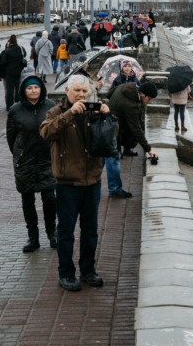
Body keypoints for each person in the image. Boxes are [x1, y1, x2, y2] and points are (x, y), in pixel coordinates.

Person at [40, 75, 110, 291]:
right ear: (67, 91)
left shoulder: (93, 109)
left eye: (84, 91)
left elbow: (111, 139)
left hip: (92, 180)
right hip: (67, 182)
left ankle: (88, 270)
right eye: (77, 90)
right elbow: (46, 132)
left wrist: (108, 117)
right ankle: (66, 273)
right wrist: (70, 114)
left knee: (91, 230)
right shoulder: (56, 112)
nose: (81, 95)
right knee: (66, 231)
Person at [7, 73, 57, 253]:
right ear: (24, 90)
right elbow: (11, 138)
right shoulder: (15, 110)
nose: (33, 90)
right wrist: (20, 155)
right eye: (29, 88)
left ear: (41, 89)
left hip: (47, 159)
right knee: (27, 199)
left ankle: (52, 233)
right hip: (25, 162)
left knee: (50, 198)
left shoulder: (51, 106)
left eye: (36, 87)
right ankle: (33, 237)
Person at [105, 81, 160, 194]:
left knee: (102, 155)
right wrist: (148, 149)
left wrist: (114, 107)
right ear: (143, 94)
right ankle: (115, 189)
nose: (149, 102)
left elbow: (109, 94)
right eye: (149, 99)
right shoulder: (130, 105)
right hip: (112, 129)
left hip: (106, 124)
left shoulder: (125, 86)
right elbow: (136, 128)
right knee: (113, 159)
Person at [0, 34, 26, 111]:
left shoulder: (7, 51)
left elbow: (3, 62)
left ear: (10, 42)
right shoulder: (21, 49)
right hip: (19, 72)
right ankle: (18, 104)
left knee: (9, 90)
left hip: (9, 73)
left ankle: (9, 106)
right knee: (18, 88)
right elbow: (25, 55)